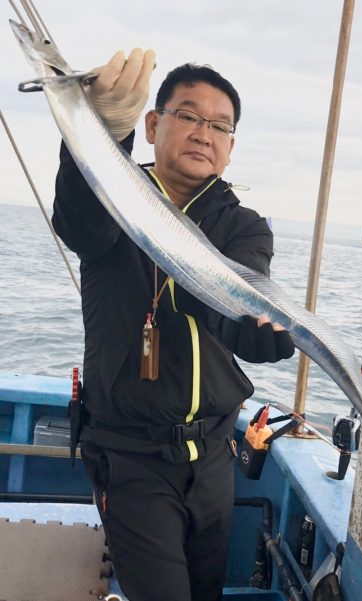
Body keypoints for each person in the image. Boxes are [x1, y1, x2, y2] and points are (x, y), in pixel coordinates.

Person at [52, 47, 295, 601]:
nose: (203, 133)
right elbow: (80, 225)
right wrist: (104, 138)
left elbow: (241, 290)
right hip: (129, 454)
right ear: (155, 123)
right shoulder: (114, 196)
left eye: (220, 125)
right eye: (188, 116)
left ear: (230, 148)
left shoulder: (244, 225)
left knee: (205, 591)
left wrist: (251, 329)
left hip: (213, 455)